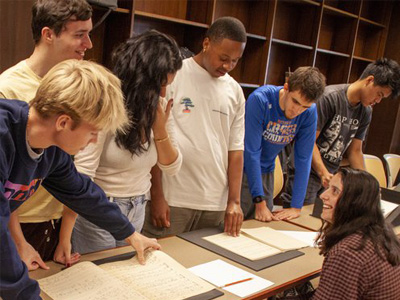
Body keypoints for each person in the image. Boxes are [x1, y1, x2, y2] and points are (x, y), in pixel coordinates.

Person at [0, 59, 161, 300]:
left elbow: (81, 192)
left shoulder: (50, 150)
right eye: (93, 132)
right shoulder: (4, 135)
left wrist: (130, 233)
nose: (95, 140)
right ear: (64, 122)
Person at [0, 0, 94, 269]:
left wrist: (65, 230)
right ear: (48, 34)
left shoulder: (76, 82)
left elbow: (73, 171)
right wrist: (17, 241)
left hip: (53, 220)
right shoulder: (8, 88)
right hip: (18, 226)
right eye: (79, 35)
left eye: (89, 34)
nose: (88, 44)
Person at [71, 30, 183, 254]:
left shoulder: (158, 108)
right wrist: (65, 236)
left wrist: (160, 129)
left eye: (167, 85)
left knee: (125, 276)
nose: (163, 92)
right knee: (98, 279)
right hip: (100, 207)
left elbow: (172, 166)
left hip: (138, 206)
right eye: (159, 84)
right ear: (142, 78)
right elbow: (81, 175)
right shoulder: (107, 101)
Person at [142, 16, 247, 238]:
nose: (228, 67)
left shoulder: (235, 91)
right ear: (206, 43)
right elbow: (154, 139)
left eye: (235, 61)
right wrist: (157, 195)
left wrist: (234, 201)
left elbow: (235, 150)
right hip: (174, 199)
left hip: (215, 203)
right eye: (224, 58)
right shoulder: (174, 76)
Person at [282, 58, 400, 208]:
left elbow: (355, 151)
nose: (377, 100)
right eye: (379, 94)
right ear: (370, 80)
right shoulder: (330, 97)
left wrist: (368, 185)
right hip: (307, 172)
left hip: (330, 176)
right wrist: (323, 172)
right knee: (299, 224)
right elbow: (308, 142)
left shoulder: (366, 111)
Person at [241, 67, 326, 222]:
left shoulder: (309, 111)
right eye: (295, 102)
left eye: (305, 107)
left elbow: (303, 157)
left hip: (267, 170)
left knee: (263, 225)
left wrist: (296, 206)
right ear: (286, 88)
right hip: (242, 169)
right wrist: (259, 201)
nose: (297, 110)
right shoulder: (260, 99)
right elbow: (251, 152)